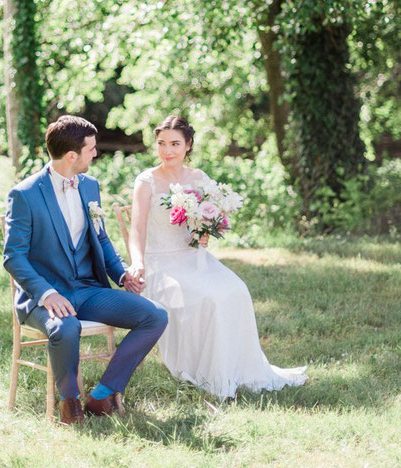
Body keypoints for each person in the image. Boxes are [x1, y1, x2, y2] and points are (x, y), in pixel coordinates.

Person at [128, 114, 308, 400]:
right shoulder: (146, 181)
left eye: (175, 143)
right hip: (161, 264)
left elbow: (210, 220)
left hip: (195, 259)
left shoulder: (198, 178)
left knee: (237, 290)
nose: (167, 151)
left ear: (188, 145)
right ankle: (204, 371)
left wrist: (205, 232)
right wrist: (137, 263)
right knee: (208, 298)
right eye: (161, 144)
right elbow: (136, 230)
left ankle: (239, 368)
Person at [3, 115, 168, 425]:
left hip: (88, 289)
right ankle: (69, 403)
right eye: (91, 149)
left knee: (154, 316)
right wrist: (47, 293)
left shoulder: (90, 186)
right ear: (71, 155)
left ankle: (103, 394)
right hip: (44, 296)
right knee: (66, 328)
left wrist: (122, 275)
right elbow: (13, 256)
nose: (95, 154)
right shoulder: (24, 195)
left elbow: (100, 237)